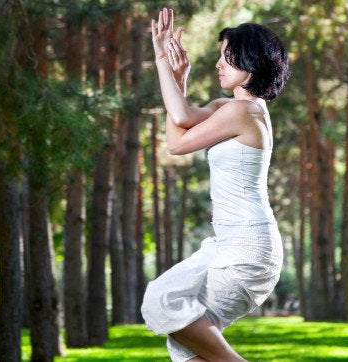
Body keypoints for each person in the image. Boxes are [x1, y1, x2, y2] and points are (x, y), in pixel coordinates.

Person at [141, 7, 289, 361]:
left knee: (162, 301)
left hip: (247, 250)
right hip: (229, 243)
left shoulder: (245, 112)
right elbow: (179, 134)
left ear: (250, 64)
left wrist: (163, 59)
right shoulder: (232, 108)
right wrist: (178, 80)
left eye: (227, 57)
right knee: (183, 344)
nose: (219, 65)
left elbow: (178, 126)